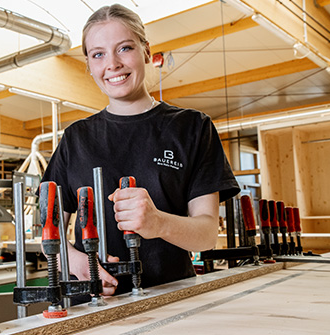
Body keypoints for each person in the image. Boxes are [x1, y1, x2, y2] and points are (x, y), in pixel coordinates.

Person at [40, 4, 240, 302]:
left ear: (146, 51)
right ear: (89, 64)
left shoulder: (192, 127)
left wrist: (157, 222)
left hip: (170, 298)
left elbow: (207, 235)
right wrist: (77, 262)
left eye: (124, 48)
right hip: (93, 304)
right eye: (98, 54)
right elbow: (48, 232)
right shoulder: (75, 138)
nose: (112, 64)